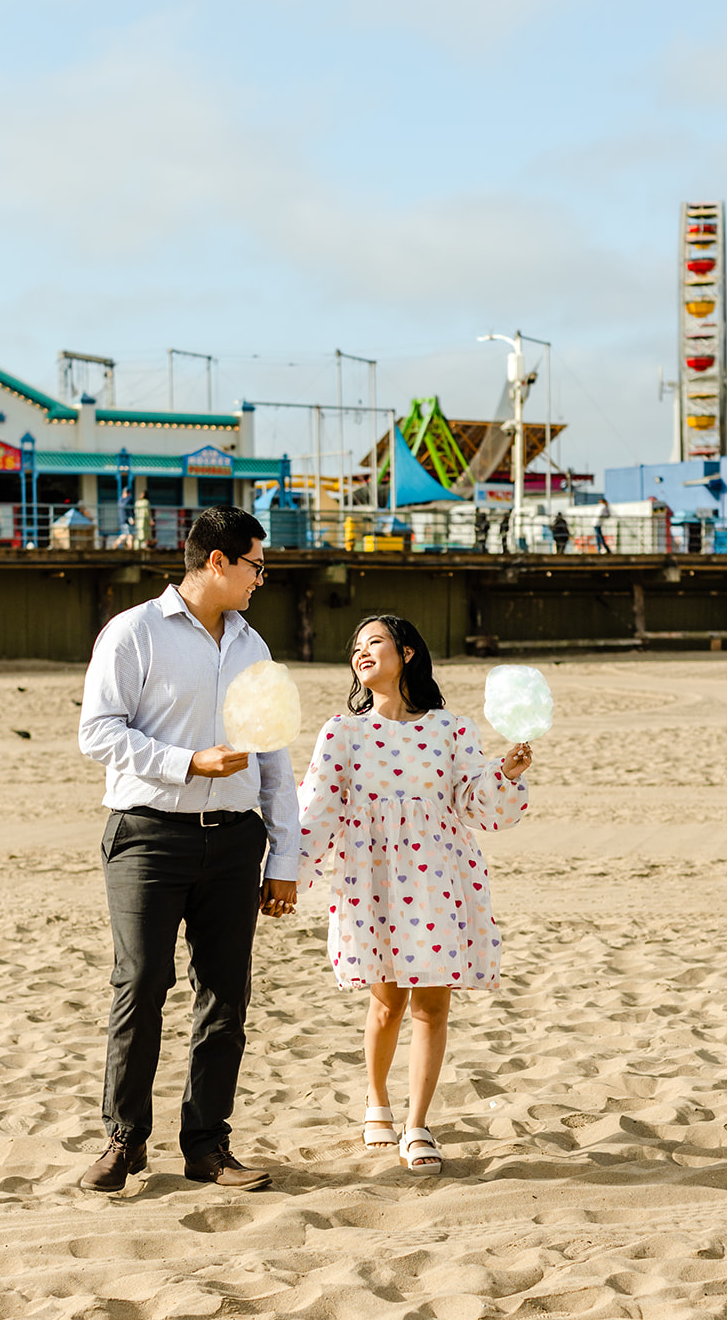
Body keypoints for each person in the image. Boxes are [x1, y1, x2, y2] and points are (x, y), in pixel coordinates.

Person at [77, 505, 299, 1194]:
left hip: (236, 844)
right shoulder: (134, 632)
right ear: (217, 561)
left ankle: (207, 1147)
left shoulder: (253, 648)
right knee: (141, 984)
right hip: (146, 835)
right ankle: (123, 1142)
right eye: (257, 565)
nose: (262, 578)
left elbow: (273, 758)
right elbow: (97, 732)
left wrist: (283, 861)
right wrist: (185, 763)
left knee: (224, 997)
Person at [297, 615, 531, 1176]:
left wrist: (506, 771)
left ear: (406, 652)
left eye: (372, 642)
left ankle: (417, 1123)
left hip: (438, 877)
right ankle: (377, 1100)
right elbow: (317, 808)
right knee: (386, 1001)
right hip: (372, 878)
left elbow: (477, 803)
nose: (361, 653)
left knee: (432, 1003)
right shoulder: (342, 733)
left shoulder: (451, 730)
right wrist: (285, 872)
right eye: (355, 647)